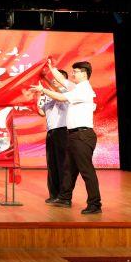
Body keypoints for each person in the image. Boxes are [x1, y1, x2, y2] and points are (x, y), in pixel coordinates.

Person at [31, 61, 101, 215]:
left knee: (86, 171)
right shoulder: (77, 87)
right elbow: (62, 80)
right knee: (69, 169)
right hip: (73, 135)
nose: (73, 74)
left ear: (84, 73)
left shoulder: (84, 90)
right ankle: (64, 198)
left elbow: (61, 97)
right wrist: (51, 68)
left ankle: (95, 204)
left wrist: (43, 90)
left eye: (75, 72)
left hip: (83, 135)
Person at [37, 63, 71, 204]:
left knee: (62, 164)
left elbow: (57, 93)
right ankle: (54, 194)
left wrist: (45, 86)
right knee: (52, 165)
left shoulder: (67, 92)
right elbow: (41, 112)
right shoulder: (49, 96)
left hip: (63, 131)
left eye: (58, 79)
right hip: (51, 133)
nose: (55, 81)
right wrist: (37, 95)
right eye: (54, 79)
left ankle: (64, 196)